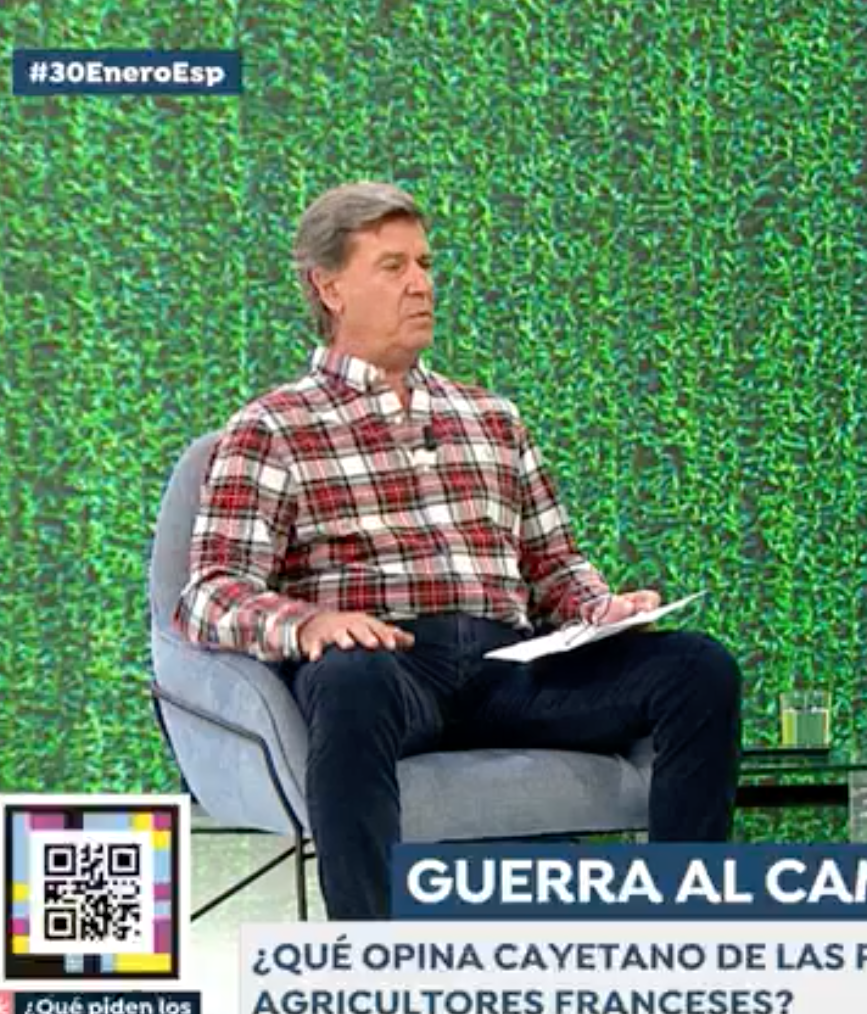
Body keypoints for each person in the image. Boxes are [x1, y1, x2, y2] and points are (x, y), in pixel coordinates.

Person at [174, 181, 743, 919]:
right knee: (347, 680)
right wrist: (310, 624)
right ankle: (372, 954)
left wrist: (601, 607)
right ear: (328, 287)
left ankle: (682, 929)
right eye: (393, 267)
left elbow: (554, 565)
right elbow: (210, 593)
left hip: (511, 669)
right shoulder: (273, 428)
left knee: (697, 669)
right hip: (389, 671)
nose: (421, 284)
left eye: (425, 264)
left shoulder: (491, 417)